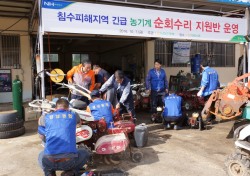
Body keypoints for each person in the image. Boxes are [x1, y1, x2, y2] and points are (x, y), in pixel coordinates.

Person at [38, 98, 91, 176]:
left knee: (41, 155)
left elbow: (41, 136)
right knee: (85, 153)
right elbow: (79, 124)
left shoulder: (45, 117)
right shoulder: (73, 114)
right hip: (68, 162)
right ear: (68, 108)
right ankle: (71, 173)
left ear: (55, 108)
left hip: (49, 160)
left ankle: (49, 173)